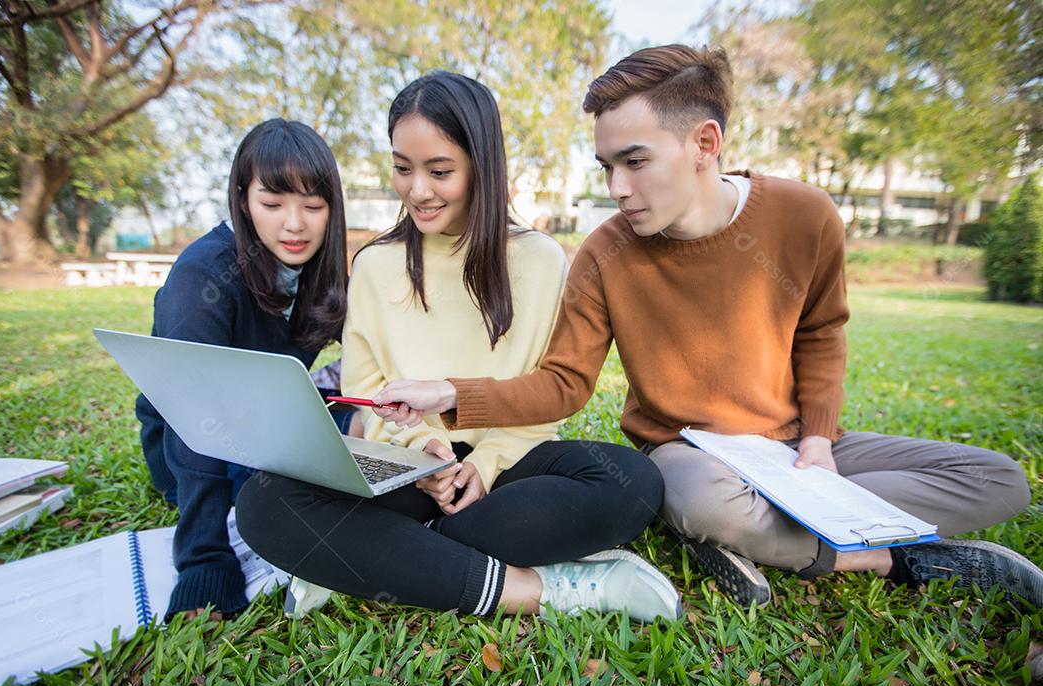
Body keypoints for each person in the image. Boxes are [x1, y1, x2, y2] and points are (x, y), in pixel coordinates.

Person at [371, 46, 1042, 609]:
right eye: (607, 166)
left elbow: (822, 334)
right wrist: (453, 395)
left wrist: (816, 443)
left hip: (791, 448)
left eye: (634, 161)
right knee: (699, 498)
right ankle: (891, 560)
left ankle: (764, 536)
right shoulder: (605, 252)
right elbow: (564, 384)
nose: (616, 186)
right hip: (691, 457)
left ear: (705, 143)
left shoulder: (807, 215)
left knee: (1000, 480)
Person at [235, 71, 681, 623]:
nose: (417, 190)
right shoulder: (374, 265)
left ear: (481, 166)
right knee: (264, 501)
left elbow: (543, 391)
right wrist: (425, 453)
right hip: (407, 466)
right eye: (402, 168)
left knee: (632, 482)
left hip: (510, 467)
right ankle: (535, 590)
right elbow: (365, 391)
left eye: (439, 171)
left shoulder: (540, 260)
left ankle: (381, 554)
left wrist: (486, 465)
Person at [136, 119, 351, 619]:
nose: (294, 224)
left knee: (368, 437)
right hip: (193, 443)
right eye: (272, 204)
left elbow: (375, 351)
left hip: (270, 424)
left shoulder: (322, 271)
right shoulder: (200, 278)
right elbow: (189, 418)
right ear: (241, 197)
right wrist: (203, 561)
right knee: (285, 499)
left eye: (313, 206)